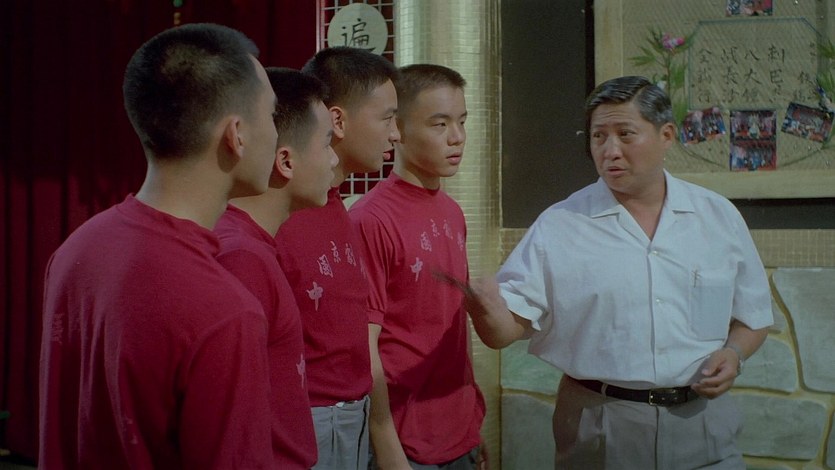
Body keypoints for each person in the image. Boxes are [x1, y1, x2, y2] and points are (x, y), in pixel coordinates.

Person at [454, 76, 773, 469]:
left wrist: (734, 353)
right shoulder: (561, 224)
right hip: (602, 422)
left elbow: (753, 317)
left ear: (666, 135)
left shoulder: (717, 216)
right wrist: (486, 308)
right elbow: (505, 330)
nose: (610, 151)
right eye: (598, 137)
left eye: (625, 134)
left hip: (704, 422)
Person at [39, 23, 279, 469]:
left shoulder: (76, 249)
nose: (277, 133)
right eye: (271, 115)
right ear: (237, 134)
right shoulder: (225, 311)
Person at [349, 64, 486, 470]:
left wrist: (473, 428)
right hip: (405, 441)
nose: (457, 137)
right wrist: (387, 447)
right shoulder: (371, 219)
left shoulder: (452, 212)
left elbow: (452, 323)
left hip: (460, 433)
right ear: (398, 129)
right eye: (440, 124)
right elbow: (365, 347)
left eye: (462, 121)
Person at [274, 46, 400, 470]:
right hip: (310, 422)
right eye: (387, 118)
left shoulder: (334, 205)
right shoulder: (282, 213)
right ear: (337, 121)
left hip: (352, 417)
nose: (396, 134)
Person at [214, 67, 338, 469]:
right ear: (285, 160)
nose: (335, 159)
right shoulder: (241, 257)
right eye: (327, 143)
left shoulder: (255, 245)